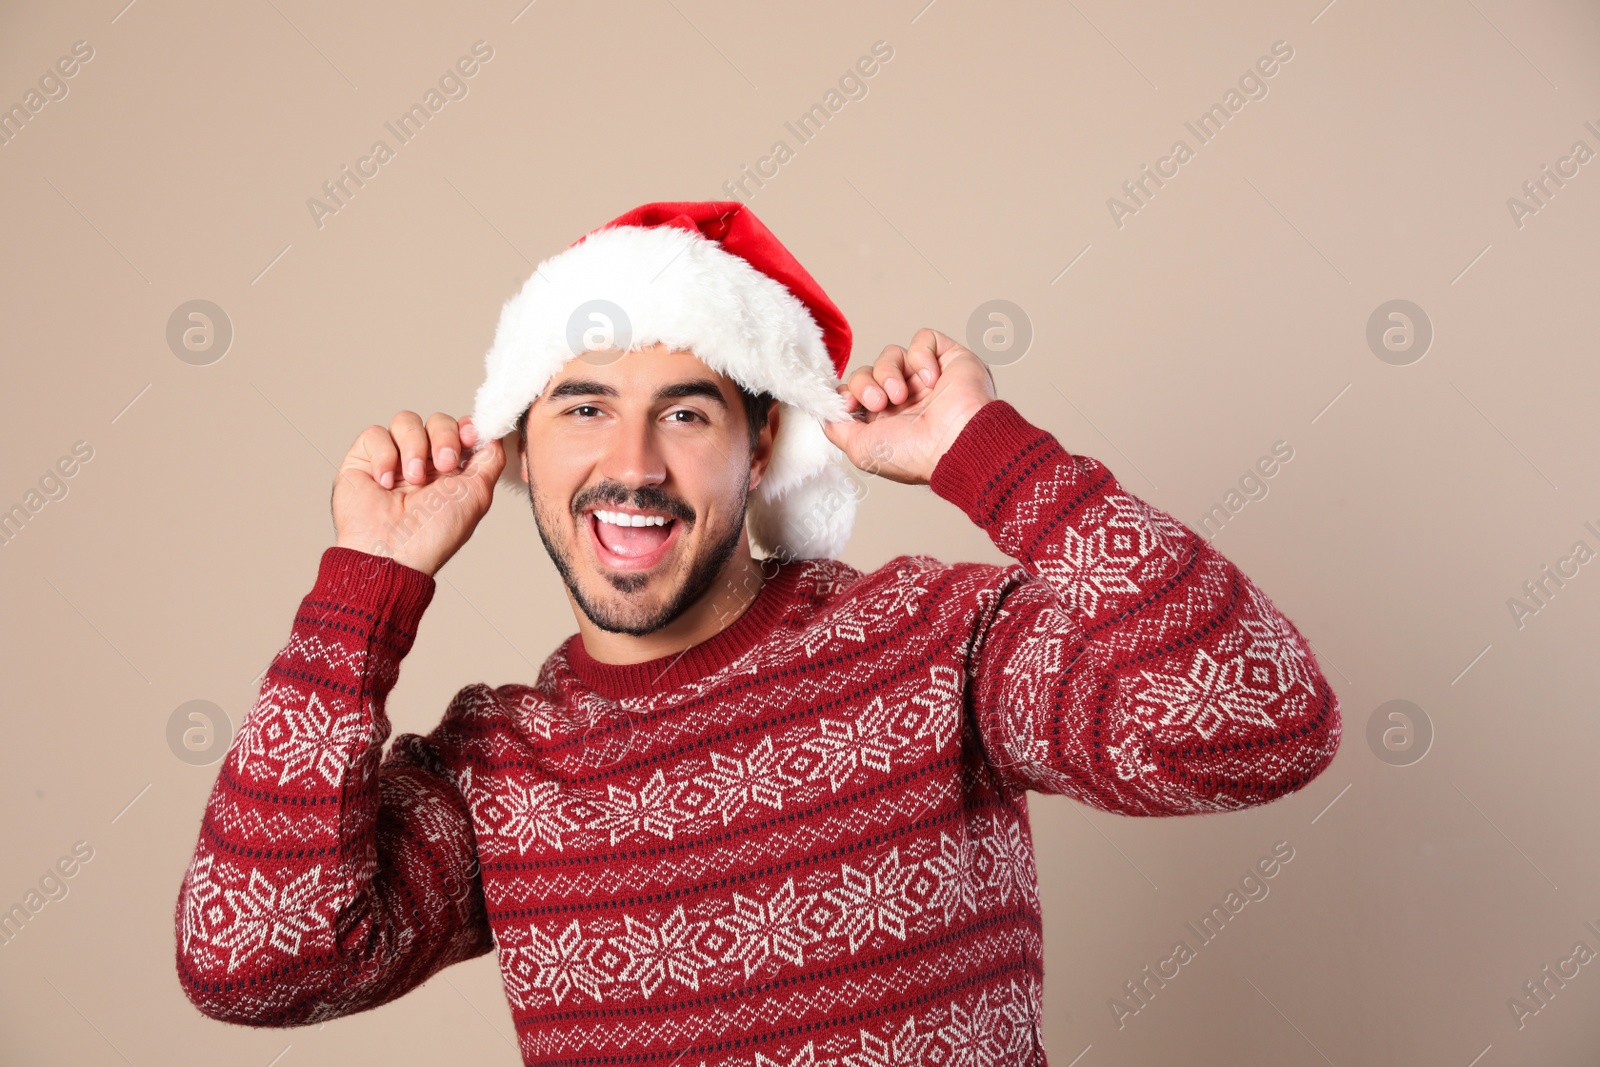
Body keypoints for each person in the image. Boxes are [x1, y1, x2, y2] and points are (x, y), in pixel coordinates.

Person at [174, 201, 1341, 1066]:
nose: (630, 467)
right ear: (522, 449)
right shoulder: (497, 768)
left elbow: (1255, 728)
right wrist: (365, 585)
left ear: (761, 447)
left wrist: (992, 454)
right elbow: (254, 965)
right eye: (583, 407)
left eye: (686, 412)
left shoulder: (934, 643)